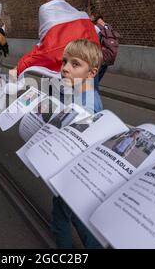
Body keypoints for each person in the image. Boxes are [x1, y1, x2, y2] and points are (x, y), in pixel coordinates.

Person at [51, 39, 104, 249]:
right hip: (75, 172)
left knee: (60, 220)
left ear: (91, 73)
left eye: (75, 64)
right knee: (74, 214)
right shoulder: (82, 93)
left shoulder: (87, 104)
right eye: (64, 62)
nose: (65, 68)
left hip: (72, 171)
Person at [9, 0, 100, 77]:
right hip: (88, 70)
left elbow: (46, 49)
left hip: (64, 75)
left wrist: (19, 67)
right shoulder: (81, 15)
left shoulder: (46, 9)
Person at [90, 13, 120, 85]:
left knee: (91, 83)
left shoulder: (96, 28)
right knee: (96, 82)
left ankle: (91, 94)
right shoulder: (108, 27)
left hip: (98, 59)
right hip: (107, 58)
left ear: (93, 18)